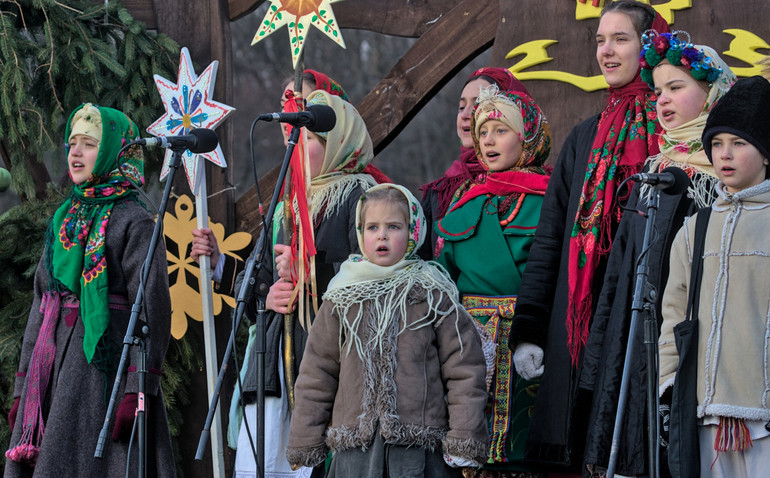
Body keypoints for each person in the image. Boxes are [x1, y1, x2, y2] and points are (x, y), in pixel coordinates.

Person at [508, 0, 669, 470]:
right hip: (579, 329)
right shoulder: (584, 138)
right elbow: (550, 243)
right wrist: (530, 331)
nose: (606, 51)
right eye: (600, 40)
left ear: (650, 45)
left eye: (621, 39)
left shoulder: (674, 133)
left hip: (645, 324)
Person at [579, 33, 736, 476]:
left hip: (697, 338)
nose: (663, 100)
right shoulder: (654, 171)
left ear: (712, 94)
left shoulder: (723, 178)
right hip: (640, 337)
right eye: (658, 91)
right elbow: (621, 272)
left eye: (677, 87)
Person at [4, 104, 175, 477]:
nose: (76, 153)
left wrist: (138, 388)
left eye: (89, 144)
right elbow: (42, 302)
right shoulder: (65, 216)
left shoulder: (136, 220)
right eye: (72, 143)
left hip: (102, 377)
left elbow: (152, 311)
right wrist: (23, 389)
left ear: (116, 150)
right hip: (52, 374)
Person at [286, 183, 488, 477]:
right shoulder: (342, 297)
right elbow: (317, 372)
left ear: (414, 231)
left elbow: (465, 370)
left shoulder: (433, 294)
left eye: (393, 226)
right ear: (360, 232)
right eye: (372, 227)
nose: (381, 235)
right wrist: (305, 439)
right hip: (356, 452)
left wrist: (464, 439)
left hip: (418, 450)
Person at [231, 90, 381, 478]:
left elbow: (372, 277)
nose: (298, 146)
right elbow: (253, 283)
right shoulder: (287, 205)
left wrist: (309, 272)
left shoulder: (361, 196)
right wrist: (269, 294)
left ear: (340, 143)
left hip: (327, 358)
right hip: (274, 365)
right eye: (297, 139)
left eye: (311, 139)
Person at [435, 83, 550, 476]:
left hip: (527, 337)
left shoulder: (549, 200)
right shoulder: (465, 199)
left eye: (500, 130)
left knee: (521, 448)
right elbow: (443, 277)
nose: (488, 140)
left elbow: (551, 274)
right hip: (468, 342)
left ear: (527, 135)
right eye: (483, 132)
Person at [658, 75, 770, 477]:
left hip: (764, 414)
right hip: (704, 409)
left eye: (739, 143)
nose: (725, 154)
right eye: (717, 144)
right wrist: (668, 383)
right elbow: (673, 312)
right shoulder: (696, 227)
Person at [419, 67, 529, 259]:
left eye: (480, 104)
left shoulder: (536, 185)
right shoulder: (440, 192)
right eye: (461, 107)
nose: (466, 114)